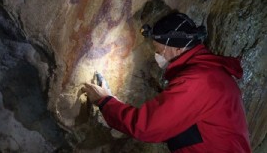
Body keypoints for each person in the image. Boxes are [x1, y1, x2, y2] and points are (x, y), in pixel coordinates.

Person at [82, 11, 251, 152]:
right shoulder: (211, 72)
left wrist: (105, 101)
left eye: (159, 50)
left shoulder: (198, 81)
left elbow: (148, 127)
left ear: (177, 47)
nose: (158, 56)